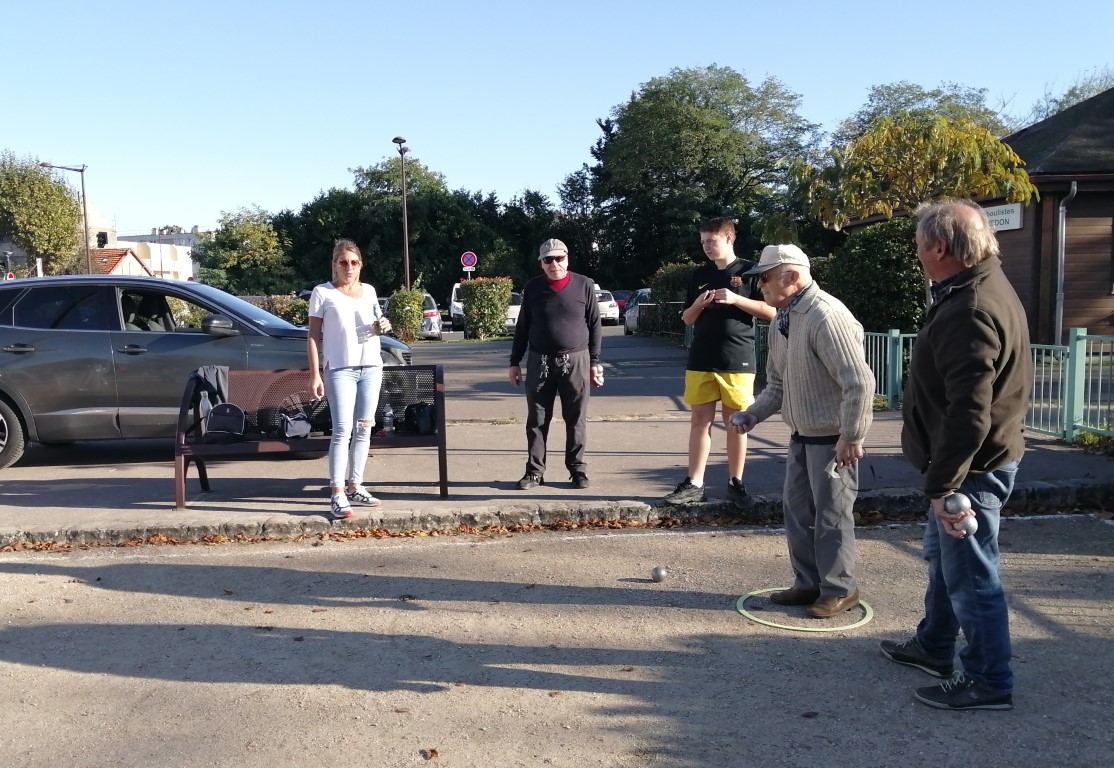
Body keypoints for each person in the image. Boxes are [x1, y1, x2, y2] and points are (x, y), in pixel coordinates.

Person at [880, 200, 1031, 711]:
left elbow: (971, 414)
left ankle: (990, 680)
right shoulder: (974, 287)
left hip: (971, 471)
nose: (917, 254)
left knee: (971, 576)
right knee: (946, 565)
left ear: (940, 247)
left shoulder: (971, 305)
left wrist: (945, 488)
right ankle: (935, 646)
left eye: (920, 245)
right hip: (964, 465)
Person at [728, 244, 874, 618]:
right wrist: (752, 415)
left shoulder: (826, 314)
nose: (758, 285)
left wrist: (852, 436)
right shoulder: (781, 320)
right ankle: (808, 584)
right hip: (801, 436)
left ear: (791, 276)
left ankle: (840, 589)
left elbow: (859, 382)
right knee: (797, 511)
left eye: (764, 277)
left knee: (832, 515)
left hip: (833, 439)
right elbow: (776, 385)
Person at [664, 218, 776, 507]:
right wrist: (699, 304)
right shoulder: (699, 274)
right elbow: (687, 319)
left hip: (737, 358)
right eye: (703, 242)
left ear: (728, 238)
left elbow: (771, 312)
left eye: (711, 241)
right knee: (700, 422)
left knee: (736, 423)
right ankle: (694, 483)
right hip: (701, 358)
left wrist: (736, 300)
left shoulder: (750, 272)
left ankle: (735, 483)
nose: (706, 247)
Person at [509, 238, 604, 490]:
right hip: (540, 362)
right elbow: (522, 328)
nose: (554, 264)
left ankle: (577, 469)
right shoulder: (533, 288)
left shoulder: (584, 285)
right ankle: (534, 472)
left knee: (576, 419)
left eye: (558, 258)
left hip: (576, 361)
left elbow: (595, 325)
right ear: (541, 263)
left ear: (567, 259)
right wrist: (514, 362)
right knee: (537, 420)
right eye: (548, 260)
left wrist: (595, 362)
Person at [307, 239, 392, 520]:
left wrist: (383, 325)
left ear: (361, 265)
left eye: (354, 263)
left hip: (370, 366)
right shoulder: (323, 293)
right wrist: (316, 374)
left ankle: (356, 484)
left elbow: (378, 322)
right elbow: (313, 336)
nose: (349, 267)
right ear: (334, 265)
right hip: (340, 369)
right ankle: (336, 492)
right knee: (342, 430)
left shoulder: (368, 292)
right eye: (343, 262)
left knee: (365, 428)